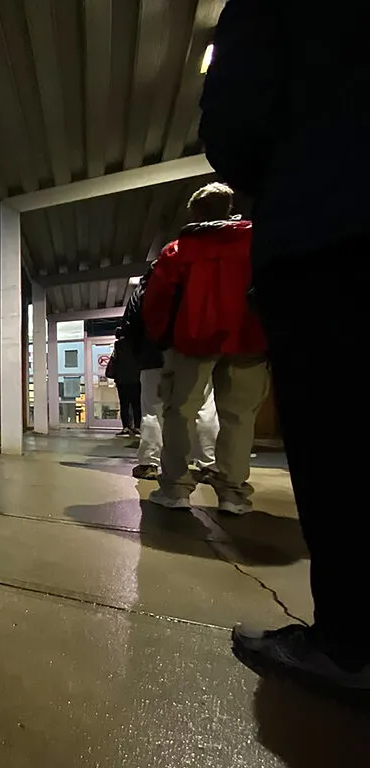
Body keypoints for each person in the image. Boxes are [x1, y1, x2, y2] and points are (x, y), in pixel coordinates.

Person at [199, 0, 370, 692]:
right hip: (260, 318)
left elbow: (237, 120)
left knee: (336, 442)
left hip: (325, 235)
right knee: (238, 416)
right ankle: (234, 489)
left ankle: (352, 641)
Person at [141, 182, 268, 516]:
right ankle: (233, 493)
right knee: (238, 416)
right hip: (249, 341)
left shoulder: (178, 251)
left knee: (180, 412)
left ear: (195, 212)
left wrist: (162, 339)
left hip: (192, 340)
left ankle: (176, 489)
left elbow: (157, 302)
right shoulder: (257, 242)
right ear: (230, 208)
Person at [120, 263, 220, 481]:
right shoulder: (197, 282)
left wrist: (139, 354)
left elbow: (130, 325)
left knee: (153, 410)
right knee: (203, 407)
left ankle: (149, 463)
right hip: (194, 353)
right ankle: (209, 465)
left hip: (153, 357)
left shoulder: (144, 289)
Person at [105, 329, 142, 436]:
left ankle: (126, 427)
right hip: (135, 379)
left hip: (122, 381)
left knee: (124, 404)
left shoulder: (118, 345)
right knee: (136, 404)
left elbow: (114, 361)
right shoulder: (136, 344)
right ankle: (137, 427)